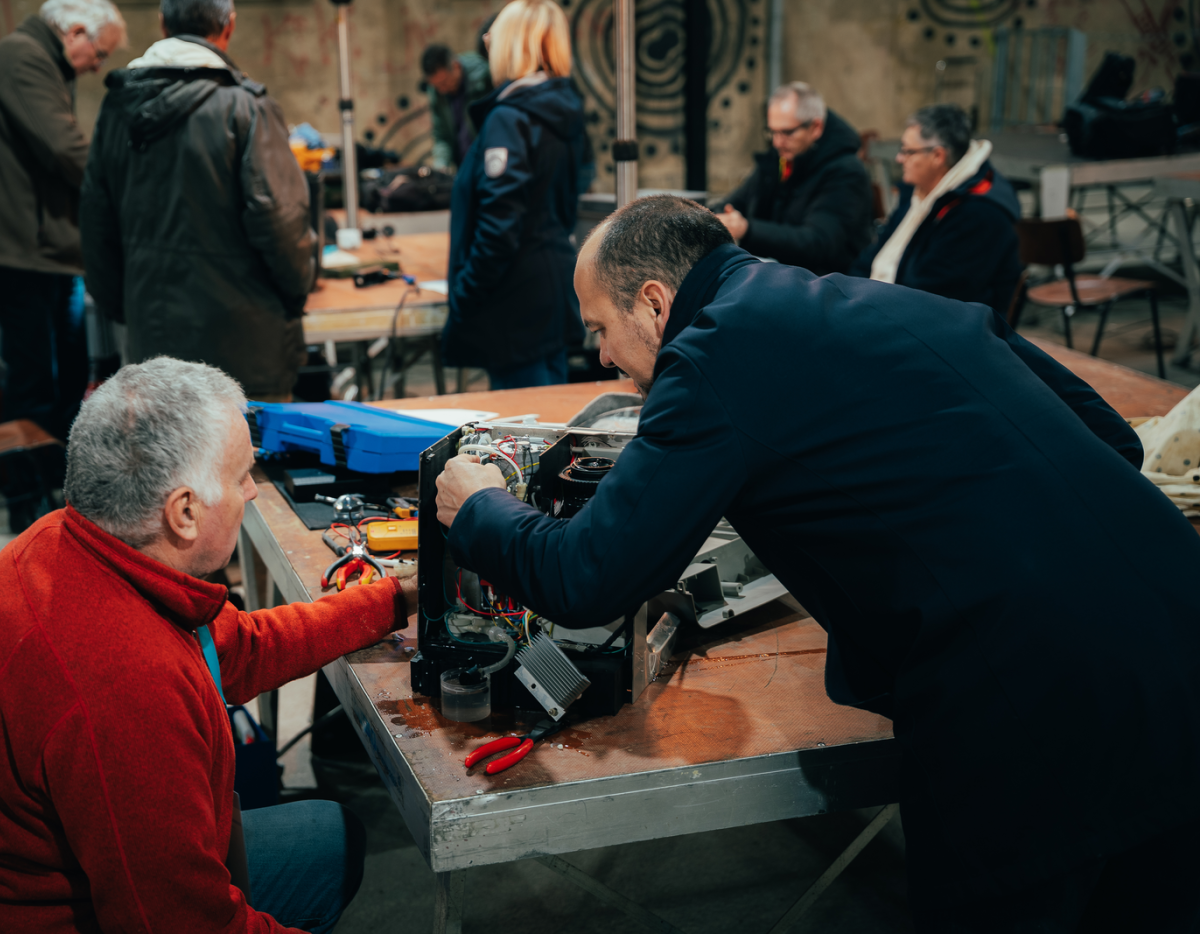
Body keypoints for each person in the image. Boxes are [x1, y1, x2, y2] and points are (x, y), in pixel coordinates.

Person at [434, 195, 1200, 932]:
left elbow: (587, 576)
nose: (601, 355)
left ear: (657, 304)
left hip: (1036, 719)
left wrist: (481, 506)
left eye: (601, 326)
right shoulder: (893, 300)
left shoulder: (710, 358)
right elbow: (1115, 442)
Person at [0, 356, 419, 934]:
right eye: (241, 476)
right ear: (184, 512)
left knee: (331, 839)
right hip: (3, 916)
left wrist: (394, 598)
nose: (252, 492)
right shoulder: (125, 682)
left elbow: (239, 649)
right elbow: (180, 924)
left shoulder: (58, 542)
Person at [81, 0, 315, 404]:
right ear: (229, 27)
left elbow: (94, 223)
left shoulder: (117, 108)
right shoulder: (245, 106)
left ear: (162, 24)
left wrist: (127, 309)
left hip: (151, 344)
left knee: (166, 463)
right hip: (246, 345)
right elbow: (280, 220)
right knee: (248, 464)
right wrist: (296, 293)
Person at [0, 0, 126, 443]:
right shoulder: (24, 57)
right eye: (100, 54)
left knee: (66, 369)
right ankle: (28, 493)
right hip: (16, 251)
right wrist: (130, 186)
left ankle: (61, 476)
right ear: (76, 32)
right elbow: (65, 149)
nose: (96, 66)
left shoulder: (37, 56)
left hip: (36, 250)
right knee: (36, 380)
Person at [442, 0, 586, 390]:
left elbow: (498, 228)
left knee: (525, 437)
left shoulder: (511, 118)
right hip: (550, 296)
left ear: (509, 45)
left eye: (493, 38)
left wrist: (464, 295)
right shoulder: (560, 110)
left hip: (514, 309)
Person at [850, 103, 1022, 317]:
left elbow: (931, 297)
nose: (899, 158)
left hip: (940, 331)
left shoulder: (979, 214)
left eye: (907, 151)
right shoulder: (921, 191)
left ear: (938, 156)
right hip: (889, 308)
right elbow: (874, 257)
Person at [708, 82, 872, 276]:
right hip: (782, 274)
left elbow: (818, 243)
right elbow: (737, 201)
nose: (777, 142)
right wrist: (714, 217)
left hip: (829, 284)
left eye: (787, 132)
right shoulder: (782, 157)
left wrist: (747, 230)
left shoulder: (846, 171)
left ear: (816, 127)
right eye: (772, 132)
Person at [422, 43, 492, 172]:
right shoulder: (436, 92)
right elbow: (442, 135)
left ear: (456, 66)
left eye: (444, 83)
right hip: (464, 167)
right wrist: (441, 164)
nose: (441, 90)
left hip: (489, 162)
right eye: (436, 86)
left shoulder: (484, 76)